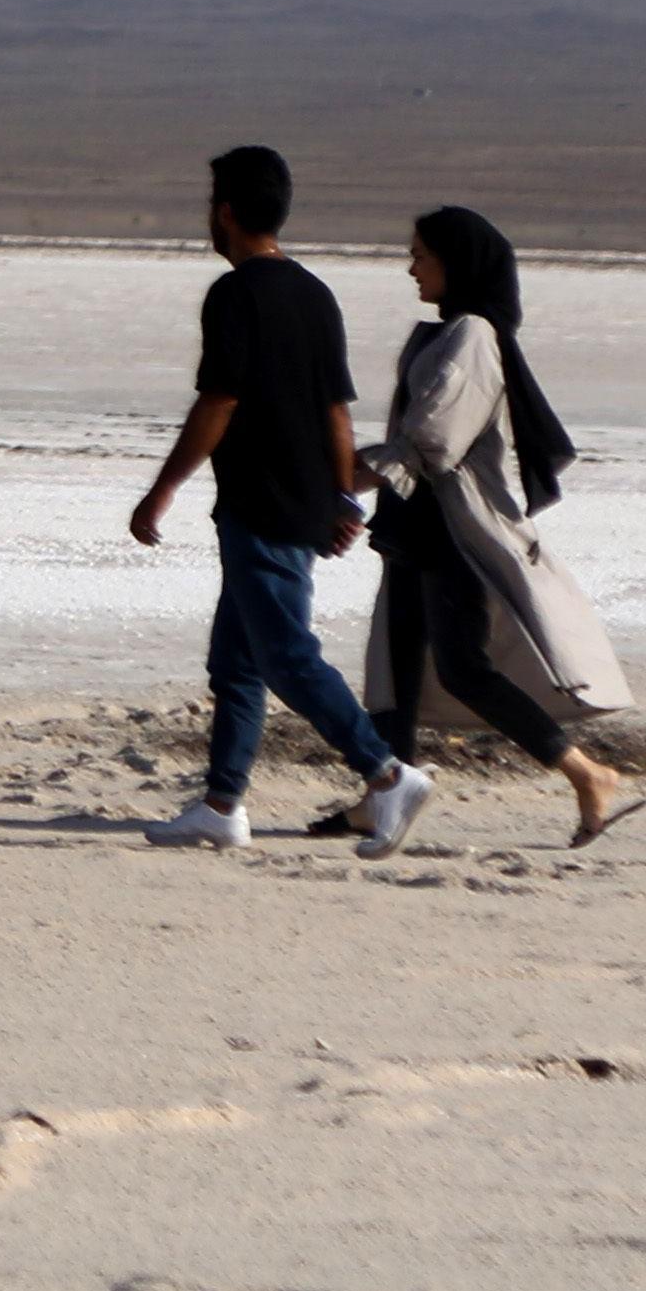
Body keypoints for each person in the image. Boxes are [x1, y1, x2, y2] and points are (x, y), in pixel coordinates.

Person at [128, 145, 428, 854]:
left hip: (262, 506)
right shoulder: (314, 292)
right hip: (297, 502)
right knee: (236, 660)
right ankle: (222, 805)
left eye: (211, 206)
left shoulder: (234, 296)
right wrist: (340, 499)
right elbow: (336, 412)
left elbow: (220, 400)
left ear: (226, 213)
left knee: (288, 654)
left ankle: (386, 775)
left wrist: (161, 490)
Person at [350, 204, 642, 845]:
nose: (411, 268)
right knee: (395, 672)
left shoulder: (472, 336)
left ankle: (588, 773)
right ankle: (381, 798)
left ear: (456, 263)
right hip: (413, 527)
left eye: (421, 255)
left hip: (450, 536)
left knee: (462, 668)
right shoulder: (444, 333)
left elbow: (433, 439)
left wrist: (345, 477)